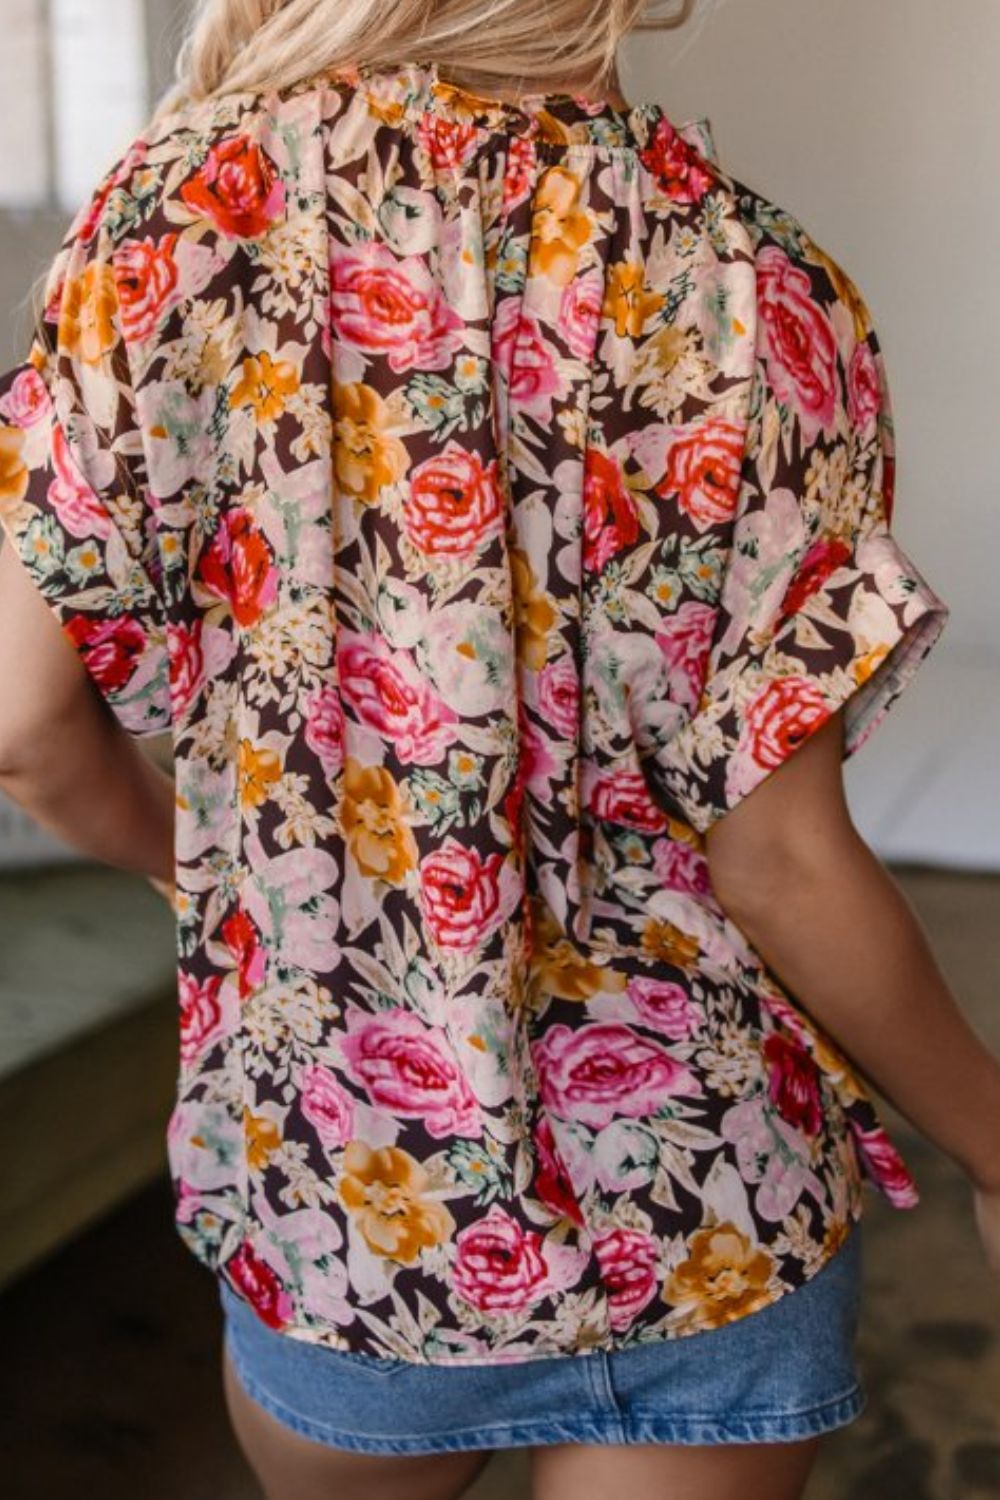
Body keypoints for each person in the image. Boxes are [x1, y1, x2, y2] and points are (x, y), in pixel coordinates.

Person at [0, 2, 997, 1498]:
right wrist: (994, 1141)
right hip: (702, 1197)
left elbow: (25, 730)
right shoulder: (750, 276)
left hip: (351, 1203)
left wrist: (222, 878)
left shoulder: (176, 222)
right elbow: (782, 861)